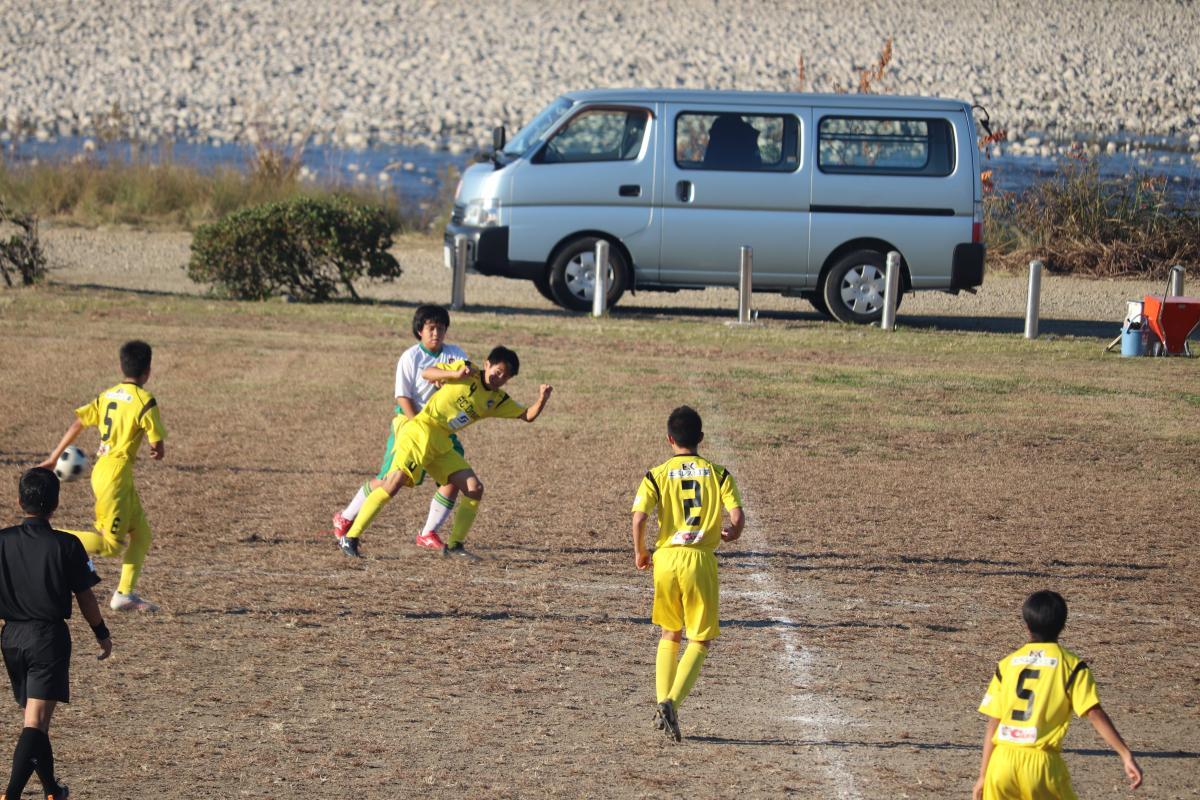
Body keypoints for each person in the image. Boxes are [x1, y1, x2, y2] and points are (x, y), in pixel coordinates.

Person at [336, 346, 552, 558]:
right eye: (498, 371)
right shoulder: (467, 370)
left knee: (474, 488)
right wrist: (454, 374)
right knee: (394, 482)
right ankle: (351, 537)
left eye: (505, 377)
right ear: (487, 364)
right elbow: (427, 373)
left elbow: (527, 415)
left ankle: (455, 545)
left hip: (442, 442)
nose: (499, 378)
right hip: (420, 431)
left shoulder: (497, 400)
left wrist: (542, 398)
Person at [631, 406, 744, 742]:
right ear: (701, 438)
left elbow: (639, 518)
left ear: (670, 439)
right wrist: (733, 531)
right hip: (699, 561)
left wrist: (640, 551)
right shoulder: (719, 474)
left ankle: (661, 704)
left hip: (665, 560)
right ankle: (672, 703)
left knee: (670, 633)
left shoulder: (656, 474)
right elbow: (737, 516)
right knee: (700, 639)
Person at [0, 468, 112, 800]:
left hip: (11, 639)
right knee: (35, 723)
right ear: (56, 504)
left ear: (19, 501)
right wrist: (101, 632)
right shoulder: (67, 544)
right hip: (47, 639)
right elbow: (86, 596)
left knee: (37, 721)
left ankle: (53, 791)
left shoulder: (2, 541)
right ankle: (11, 794)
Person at [973, 590, 1143, 799]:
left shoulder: (1007, 664)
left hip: (1001, 763)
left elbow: (994, 722)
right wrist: (1125, 754)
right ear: (1063, 625)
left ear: (1027, 626)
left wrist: (983, 775)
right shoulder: (1072, 666)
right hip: (1041, 765)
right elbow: (1094, 713)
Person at [38, 340, 166, 612]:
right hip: (115, 477)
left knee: (142, 534)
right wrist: (157, 450)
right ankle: (47, 535)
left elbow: (78, 422)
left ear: (122, 366)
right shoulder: (145, 400)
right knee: (111, 546)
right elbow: (157, 445)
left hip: (108, 472)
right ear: (148, 371)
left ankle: (124, 594)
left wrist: (53, 457)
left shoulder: (108, 395)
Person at [332, 305, 469, 550]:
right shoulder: (410, 357)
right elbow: (403, 397)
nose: (436, 333)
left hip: (440, 429)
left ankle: (428, 532)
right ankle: (346, 516)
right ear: (419, 331)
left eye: (441, 328)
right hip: (410, 423)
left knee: (455, 477)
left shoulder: (455, 354)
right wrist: (418, 425)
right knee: (390, 479)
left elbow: (465, 384)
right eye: (431, 328)